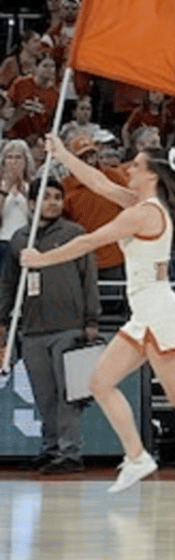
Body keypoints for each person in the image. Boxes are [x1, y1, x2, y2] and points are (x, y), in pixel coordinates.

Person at [20, 135, 175, 504]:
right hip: (145, 311)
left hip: (158, 311)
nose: (129, 169)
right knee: (100, 382)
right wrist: (61, 155)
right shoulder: (141, 204)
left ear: (152, 175)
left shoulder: (142, 213)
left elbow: (87, 243)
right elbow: (98, 182)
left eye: (137, 165)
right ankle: (137, 456)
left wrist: (41, 261)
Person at [0, 178, 97, 475]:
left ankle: (70, 451)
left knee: (69, 394)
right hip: (31, 329)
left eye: (58, 197)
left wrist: (91, 319)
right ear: (32, 203)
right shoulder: (19, 239)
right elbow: (9, 283)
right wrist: (3, 321)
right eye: (47, 197)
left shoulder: (74, 234)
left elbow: (88, 277)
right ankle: (51, 446)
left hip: (69, 325)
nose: (53, 202)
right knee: (44, 394)